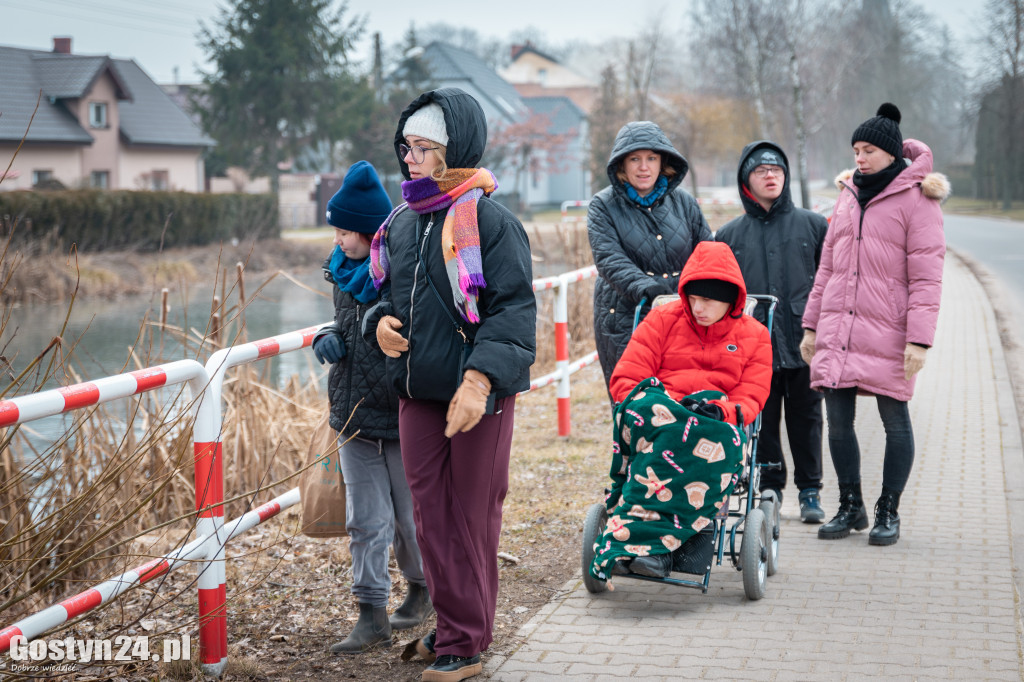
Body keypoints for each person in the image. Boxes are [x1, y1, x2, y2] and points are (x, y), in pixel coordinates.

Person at [364, 88, 536, 682]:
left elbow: (513, 312)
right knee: (431, 514)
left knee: (470, 511)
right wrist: (377, 322)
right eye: (405, 146)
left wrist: (480, 380)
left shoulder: (492, 220)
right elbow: (387, 295)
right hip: (417, 389)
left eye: (422, 147)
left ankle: (465, 639)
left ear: (453, 148)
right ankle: (456, 623)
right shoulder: (403, 222)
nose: (408, 158)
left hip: (475, 393)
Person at [801, 103, 948, 546]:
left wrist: (919, 340)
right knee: (838, 422)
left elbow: (927, 276)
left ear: (890, 153)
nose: (859, 158)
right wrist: (811, 325)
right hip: (838, 329)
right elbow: (827, 267)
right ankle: (852, 506)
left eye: (867, 150)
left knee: (895, 421)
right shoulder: (847, 195)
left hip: (889, 330)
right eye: (856, 150)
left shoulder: (919, 199)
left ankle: (889, 511)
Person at [590, 241, 772, 579]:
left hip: (714, 418)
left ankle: (653, 549)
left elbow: (752, 395)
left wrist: (723, 411)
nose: (698, 307)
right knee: (665, 427)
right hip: (664, 412)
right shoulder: (663, 319)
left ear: (731, 300)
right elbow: (628, 378)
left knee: (712, 439)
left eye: (709, 300)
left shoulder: (755, 336)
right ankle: (653, 549)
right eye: (693, 297)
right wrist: (661, 406)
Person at [309, 161, 431, 654]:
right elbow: (340, 320)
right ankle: (371, 612)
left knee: (409, 518)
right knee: (365, 519)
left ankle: (421, 589)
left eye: (347, 231)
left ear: (372, 231)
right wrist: (326, 335)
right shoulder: (339, 271)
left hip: (400, 414)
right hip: (353, 416)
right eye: (335, 230)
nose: (340, 240)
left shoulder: (400, 272)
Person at [715, 141, 829, 523]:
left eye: (777, 170)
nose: (770, 176)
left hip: (803, 340)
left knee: (808, 417)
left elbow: (831, 282)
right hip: (751, 345)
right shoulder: (728, 235)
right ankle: (769, 488)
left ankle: (810, 490)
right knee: (760, 419)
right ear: (746, 181)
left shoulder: (813, 225)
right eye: (762, 171)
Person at [587, 121, 712, 395]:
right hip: (624, 317)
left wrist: (701, 290)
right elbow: (609, 259)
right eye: (635, 159)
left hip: (684, 315)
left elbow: (706, 252)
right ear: (622, 163)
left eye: (651, 158)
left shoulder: (685, 203)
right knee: (635, 403)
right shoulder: (602, 206)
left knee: (685, 399)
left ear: (662, 162)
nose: (644, 167)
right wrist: (649, 288)